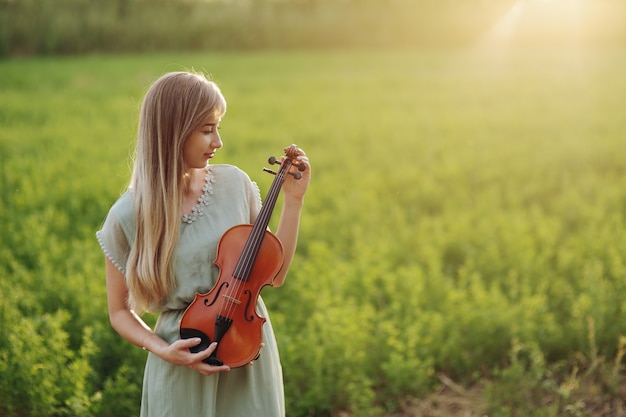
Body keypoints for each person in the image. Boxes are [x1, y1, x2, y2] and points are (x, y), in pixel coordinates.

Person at [96, 71, 310, 416]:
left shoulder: (235, 184)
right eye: (207, 130)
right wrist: (161, 349)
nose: (218, 142)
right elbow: (120, 311)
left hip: (246, 350)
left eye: (218, 128)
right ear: (173, 132)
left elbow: (276, 274)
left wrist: (294, 201)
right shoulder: (126, 215)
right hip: (180, 357)